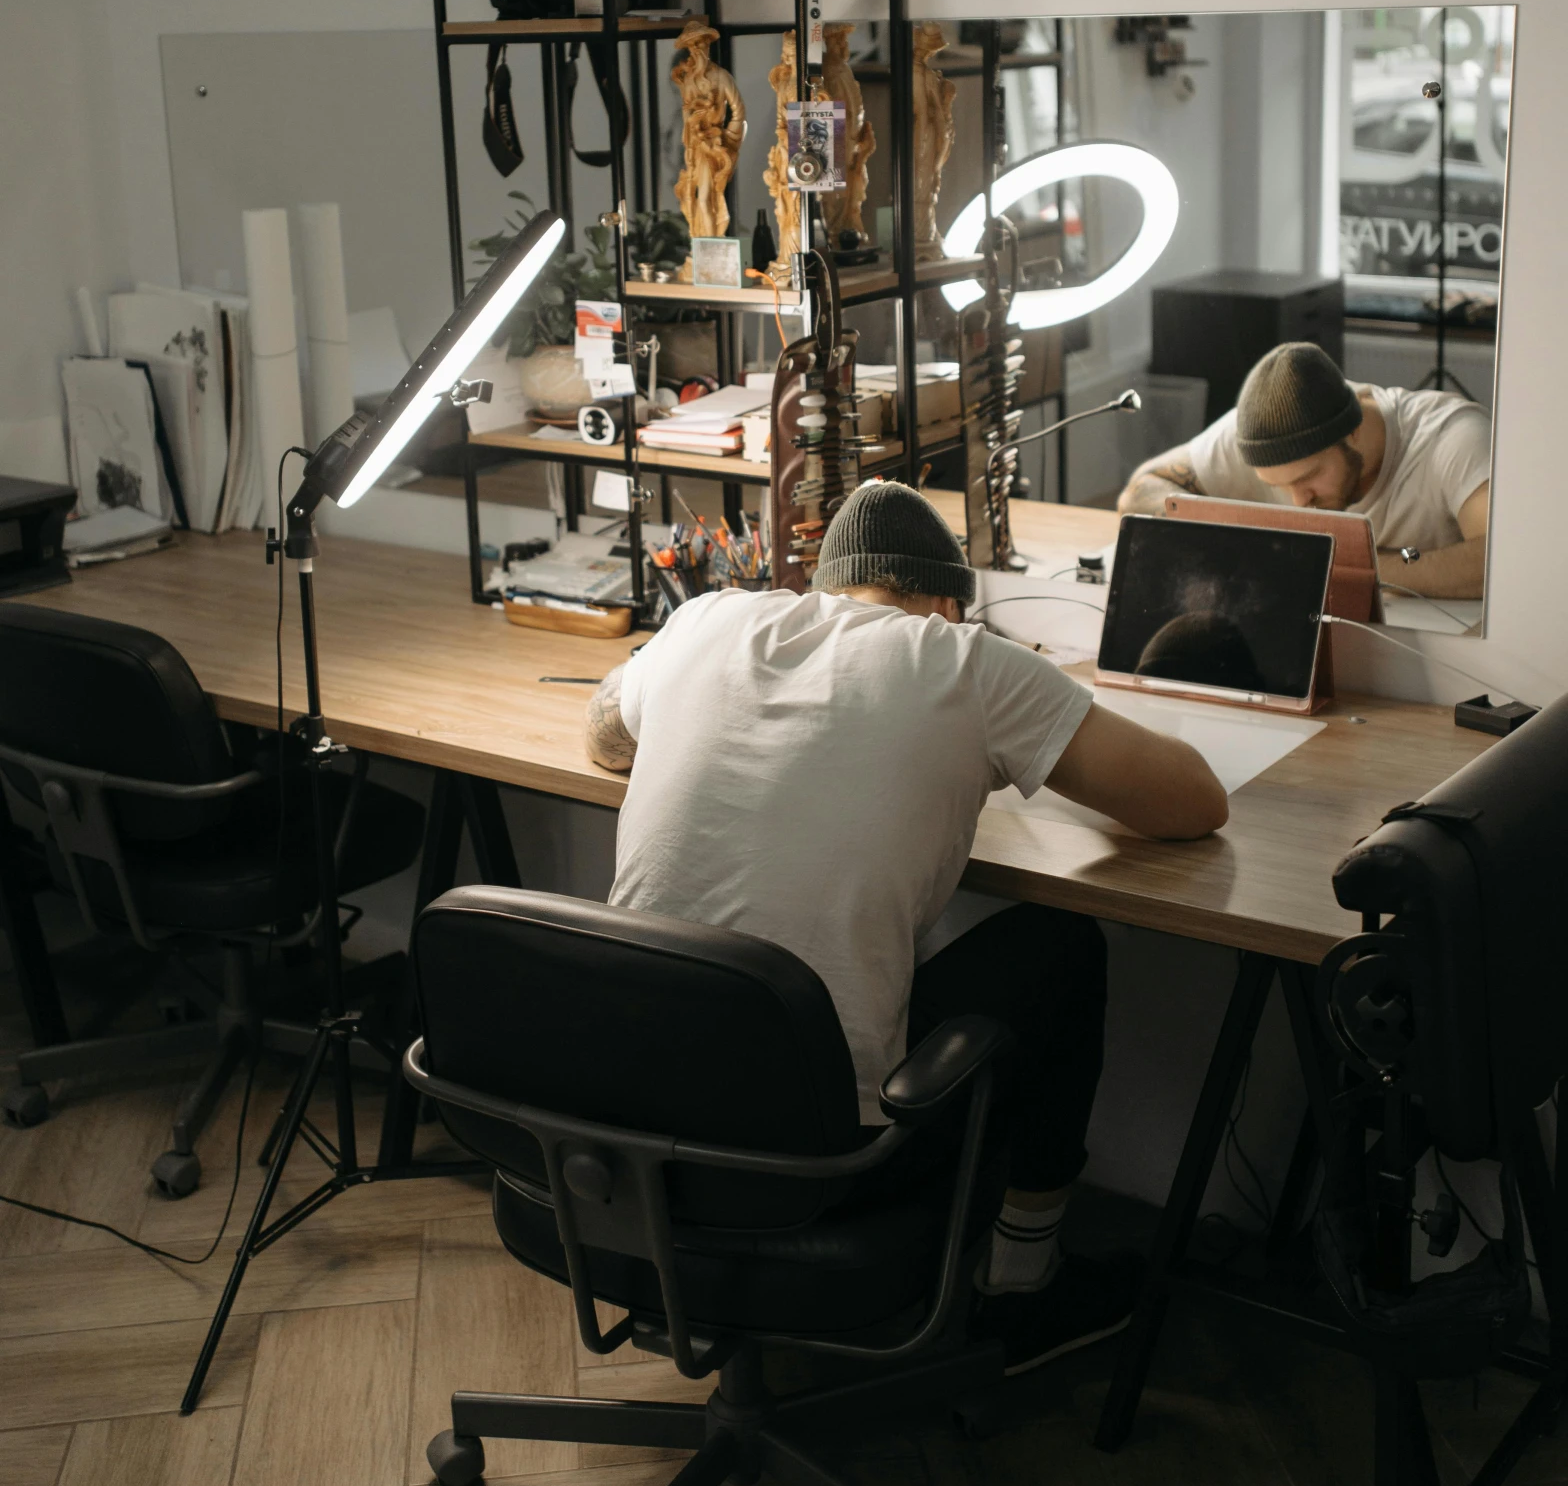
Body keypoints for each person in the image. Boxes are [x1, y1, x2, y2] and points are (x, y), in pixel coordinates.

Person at [584, 482, 1228, 1376]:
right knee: (1059, 947)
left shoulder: (705, 623)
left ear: (821, 588)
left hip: (615, 1130)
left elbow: (603, 734)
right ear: (950, 607)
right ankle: (1022, 1280)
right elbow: (1192, 802)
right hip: (820, 1166)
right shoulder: (967, 663)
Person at [1118, 341, 1492, 600]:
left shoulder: (1451, 436)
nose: (1299, 501)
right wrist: (1244, 547)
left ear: (1354, 430)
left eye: (1307, 477)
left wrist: (1344, 568)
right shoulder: (1257, 437)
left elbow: (1496, 562)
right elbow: (1140, 493)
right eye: (1278, 486)